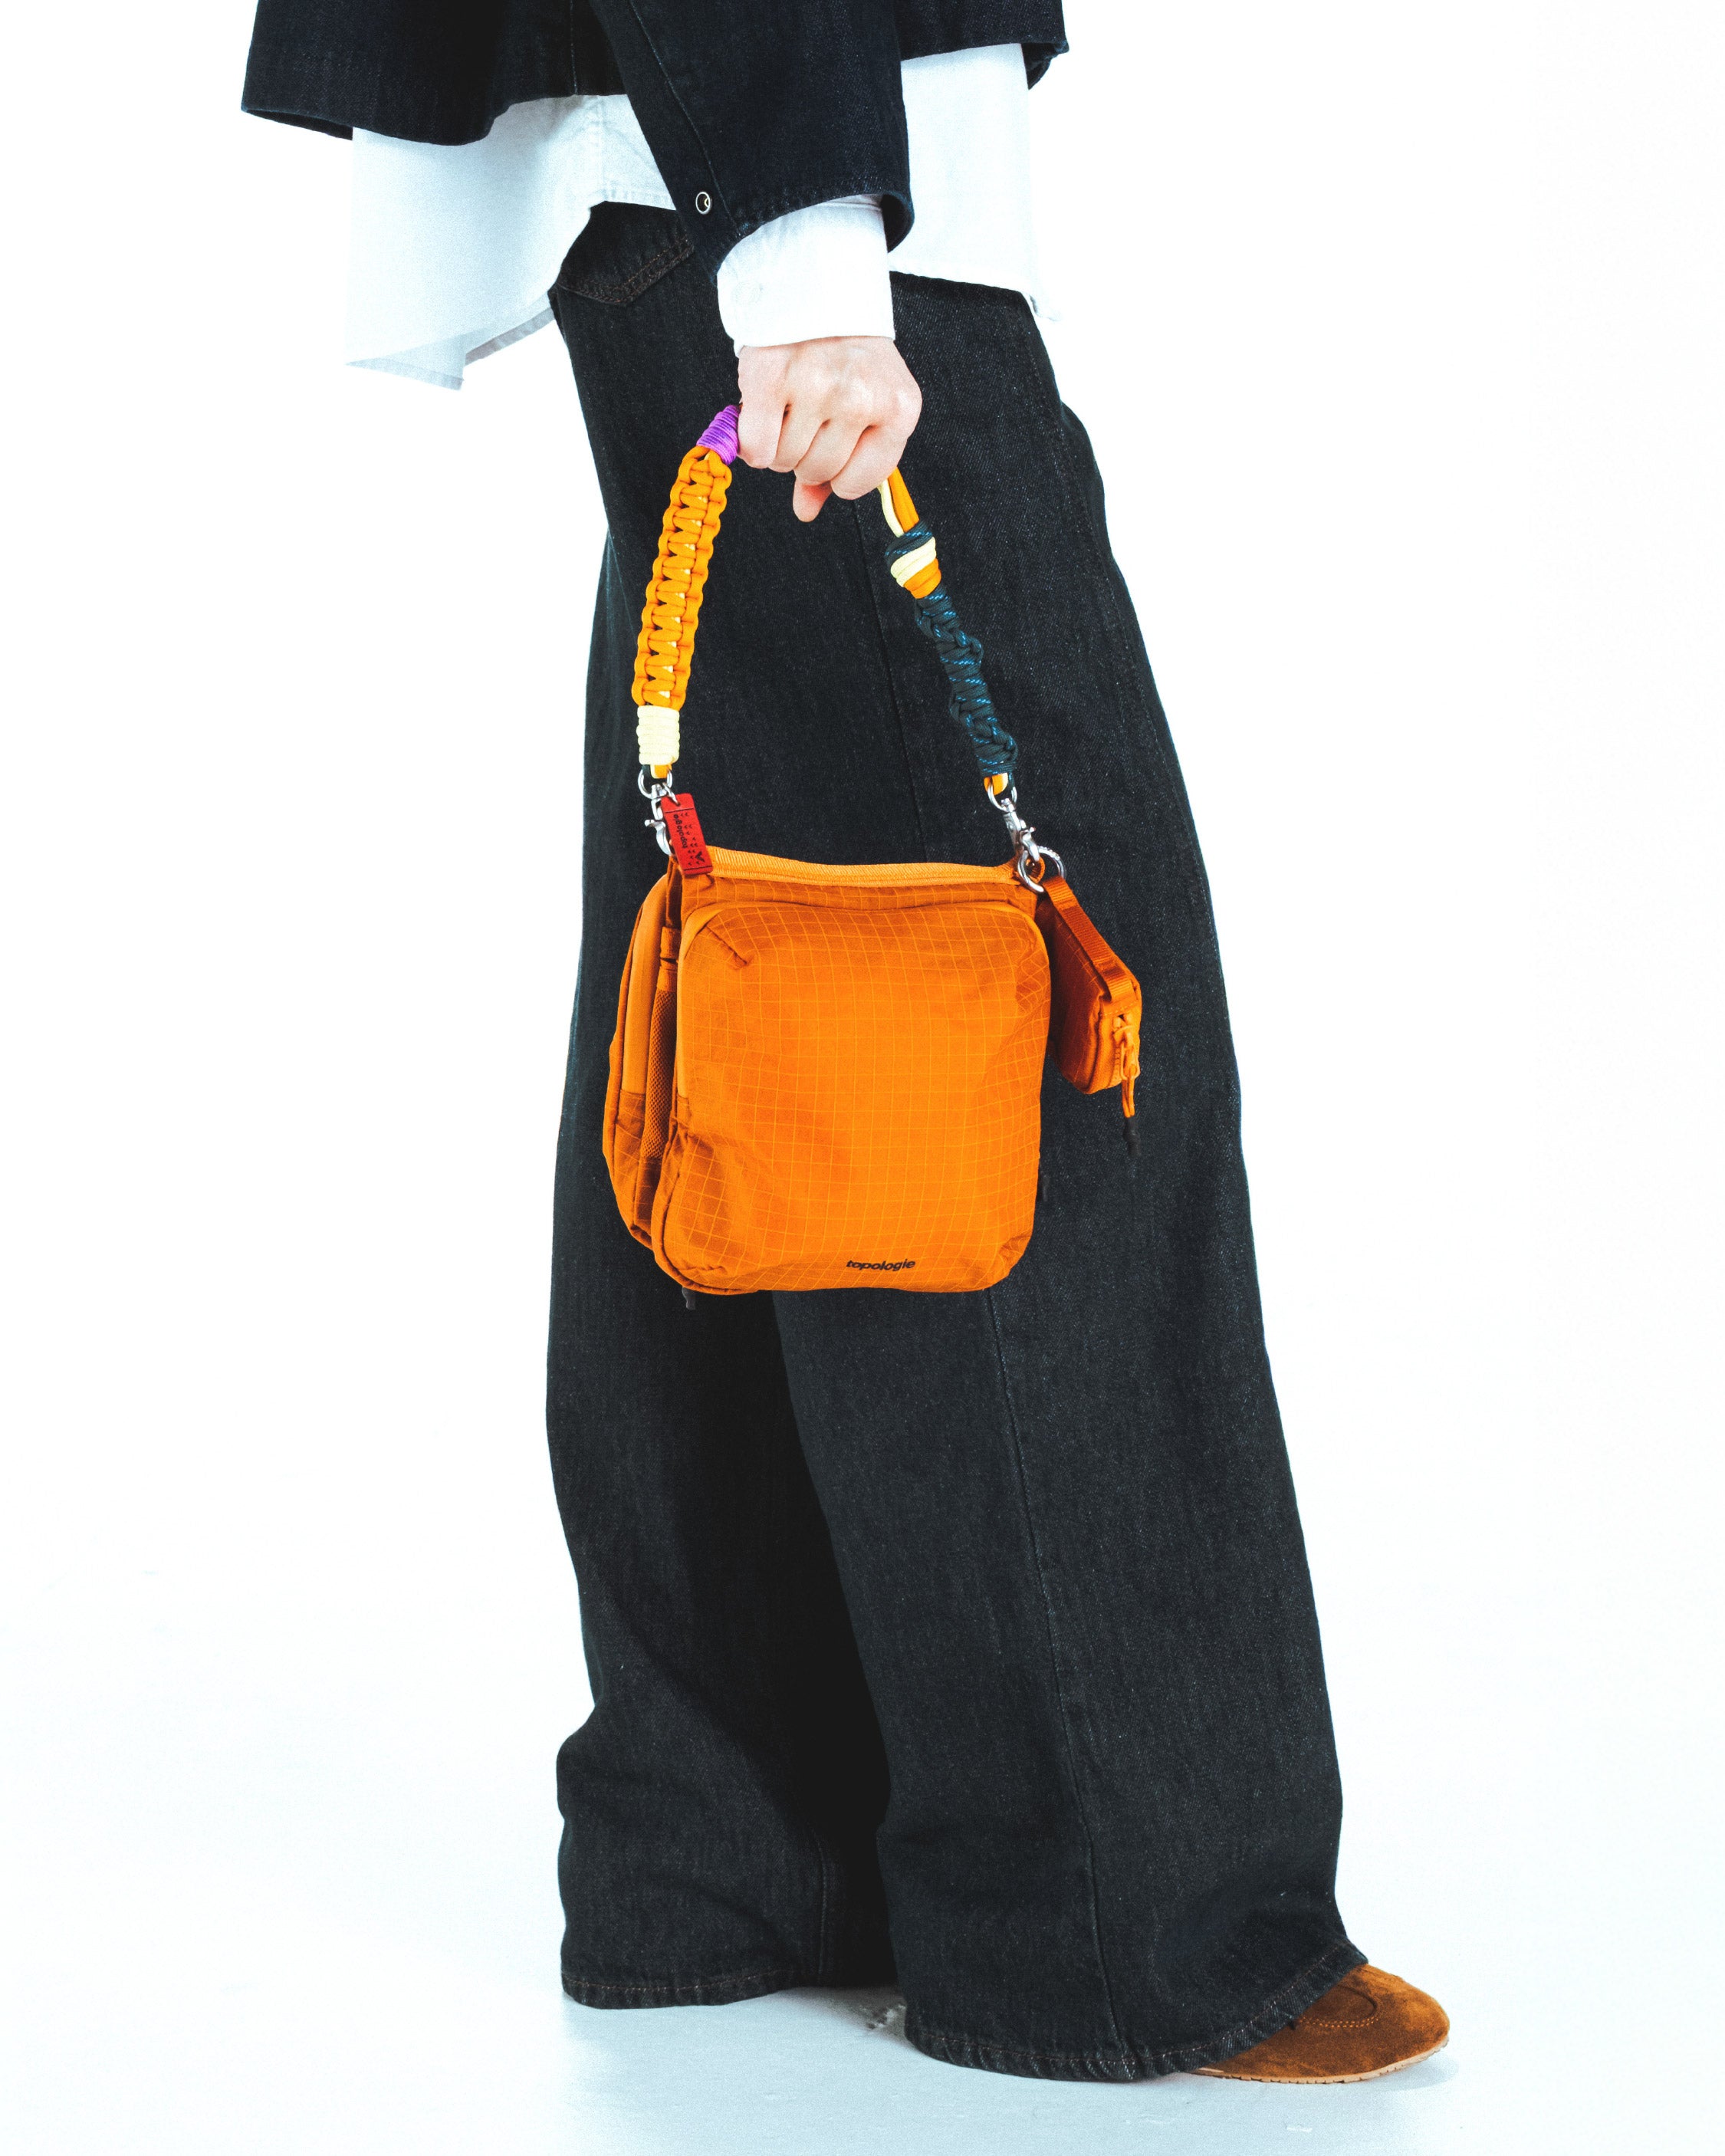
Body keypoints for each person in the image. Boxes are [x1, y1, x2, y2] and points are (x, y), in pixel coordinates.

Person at [242, 0, 1448, 2085]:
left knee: (749, 1001)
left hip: (702, 167)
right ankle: (1110, 1924)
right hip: (783, 182)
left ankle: (735, 1855)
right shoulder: (802, 253)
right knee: (1038, 1047)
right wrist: (803, 245)